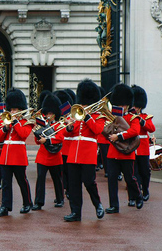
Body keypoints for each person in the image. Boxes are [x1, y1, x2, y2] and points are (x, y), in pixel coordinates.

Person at [63, 79, 105, 222]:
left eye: (85, 103)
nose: (83, 106)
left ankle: (97, 204)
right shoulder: (75, 115)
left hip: (88, 153)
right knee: (73, 185)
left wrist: (87, 116)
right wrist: (69, 127)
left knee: (88, 181)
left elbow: (97, 130)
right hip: (74, 154)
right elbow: (68, 134)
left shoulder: (98, 116)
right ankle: (75, 212)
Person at [0, 88, 34, 217]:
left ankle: (27, 203)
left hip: (18, 156)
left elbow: (23, 135)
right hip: (6, 156)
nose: (12, 112)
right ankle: (5, 206)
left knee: (22, 181)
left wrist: (15, 123)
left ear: (20, 109)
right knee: (5, 183)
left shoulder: (26, 122)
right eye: (11, 109)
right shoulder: (7, 122)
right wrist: (5, 128)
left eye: (15, 109)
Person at [105, 83, 143, 214]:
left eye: (123, 105)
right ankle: (114, 205)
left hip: (127, 153)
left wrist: (119, 136)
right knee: (111, 179)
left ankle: (137, 196)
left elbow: (134, 131)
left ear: (127, 105)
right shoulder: (112, 117)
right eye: (119, 104)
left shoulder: (133, 117)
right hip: (113, 152)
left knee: (130, 178)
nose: (121, 107)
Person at [32, 94, 65, 210]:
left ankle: (60, 199)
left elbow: (60, 138)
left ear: (55, 114)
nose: (48, 116)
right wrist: (38, 137)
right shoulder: (42, 125)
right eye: (47, 114)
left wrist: (47, 139)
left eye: (50, 114)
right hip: (43, 155)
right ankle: (39, 202)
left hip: (55, 156)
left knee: (57, 179)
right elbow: (38, 142)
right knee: (40, 178)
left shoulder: (58, 125)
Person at [132, 85, 155, 202]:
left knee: (145, 172)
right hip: (131, 148)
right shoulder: (128, 117)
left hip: (142, 147)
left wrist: (142, 122)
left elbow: (152, 128)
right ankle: (134, 195)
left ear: (140, 106)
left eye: (136, 106)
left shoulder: (146, 117)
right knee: (133, 173)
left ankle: (145, 190)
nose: (134, 107)